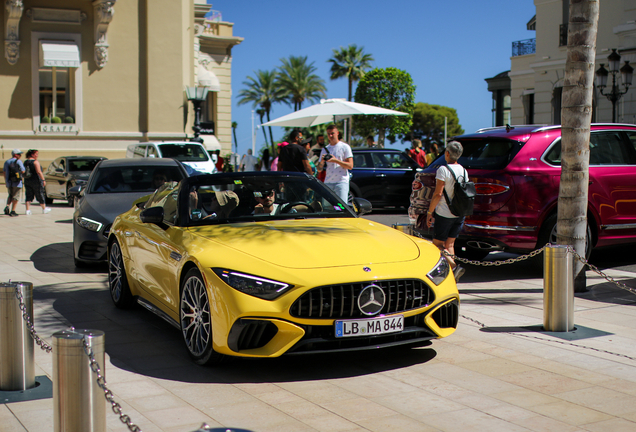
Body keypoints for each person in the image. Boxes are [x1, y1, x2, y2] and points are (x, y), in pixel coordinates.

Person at [424, 141, 467, 281]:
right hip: (459, 213)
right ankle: (452, 277)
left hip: (444, 213)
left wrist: (430, 212)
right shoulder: (464, 170)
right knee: (450, 244)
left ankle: (454, 267)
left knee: (438, 244)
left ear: (447, 153)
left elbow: (438, 194)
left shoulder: (443, 170)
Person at [317, 125, 353, 202]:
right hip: (328, 182)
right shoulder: (325, 149)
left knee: (341, 207)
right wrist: (322, 161)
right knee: (328, 208)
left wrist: (336, 160)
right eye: (328, 134)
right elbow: (319, 169)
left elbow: (350, 166)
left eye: (332, 133)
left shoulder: (345, 147)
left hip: (341, 181)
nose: (330, 136)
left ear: (337, 133)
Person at [23, 149, 50, 214]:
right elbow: (39, 171)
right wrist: (43, 179)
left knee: (28, 195)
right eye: (36, 154)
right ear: (32, 154)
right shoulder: (35, 162)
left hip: (27, 180)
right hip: (36, 180)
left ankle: (27, 210)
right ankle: (44, 208)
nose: (37, 155)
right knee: (40, 194)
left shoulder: (25, 162)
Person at [4, 149, 25, 217]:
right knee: (16, 196)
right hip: (17, 182)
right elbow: (23, 171)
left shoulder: (7, 162)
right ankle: (13, 211)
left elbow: (4, 172)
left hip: (9, 181)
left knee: (10, 195)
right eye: (19, 154)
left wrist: (6, 181)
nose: (20, 155)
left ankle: (7, 206)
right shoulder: (18, 161)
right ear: (15, 154)